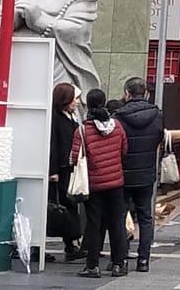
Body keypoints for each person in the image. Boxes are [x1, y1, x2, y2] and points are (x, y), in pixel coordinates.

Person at [77, 87, 131, 278]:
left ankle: (92, 266)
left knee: (93, 224)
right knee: (116, 222)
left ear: (88, 105)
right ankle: (118, 264)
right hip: (116, 181)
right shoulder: (117, 126)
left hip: (93, 183)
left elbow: (75, 157)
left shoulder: (83, 129)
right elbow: (124, 149)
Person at [115, 76, 167, 273]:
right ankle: (144, 260)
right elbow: (159, 138)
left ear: (127, 93)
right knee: (146, 217)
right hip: (146, 173)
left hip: (123, 173)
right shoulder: (157, 115)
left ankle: (121, 259)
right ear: (146, 93)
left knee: (120, 216)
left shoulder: (118, 117)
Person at [51, 82, 85, 260]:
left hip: (70, 167)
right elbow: (53, 145)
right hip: (60, 170)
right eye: (75, 98)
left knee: (70, 205)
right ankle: (71, 243)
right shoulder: (55, 118)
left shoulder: (71, 117)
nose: (78, 102)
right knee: (63, 206)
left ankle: (72, 242)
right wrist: (53, 170)